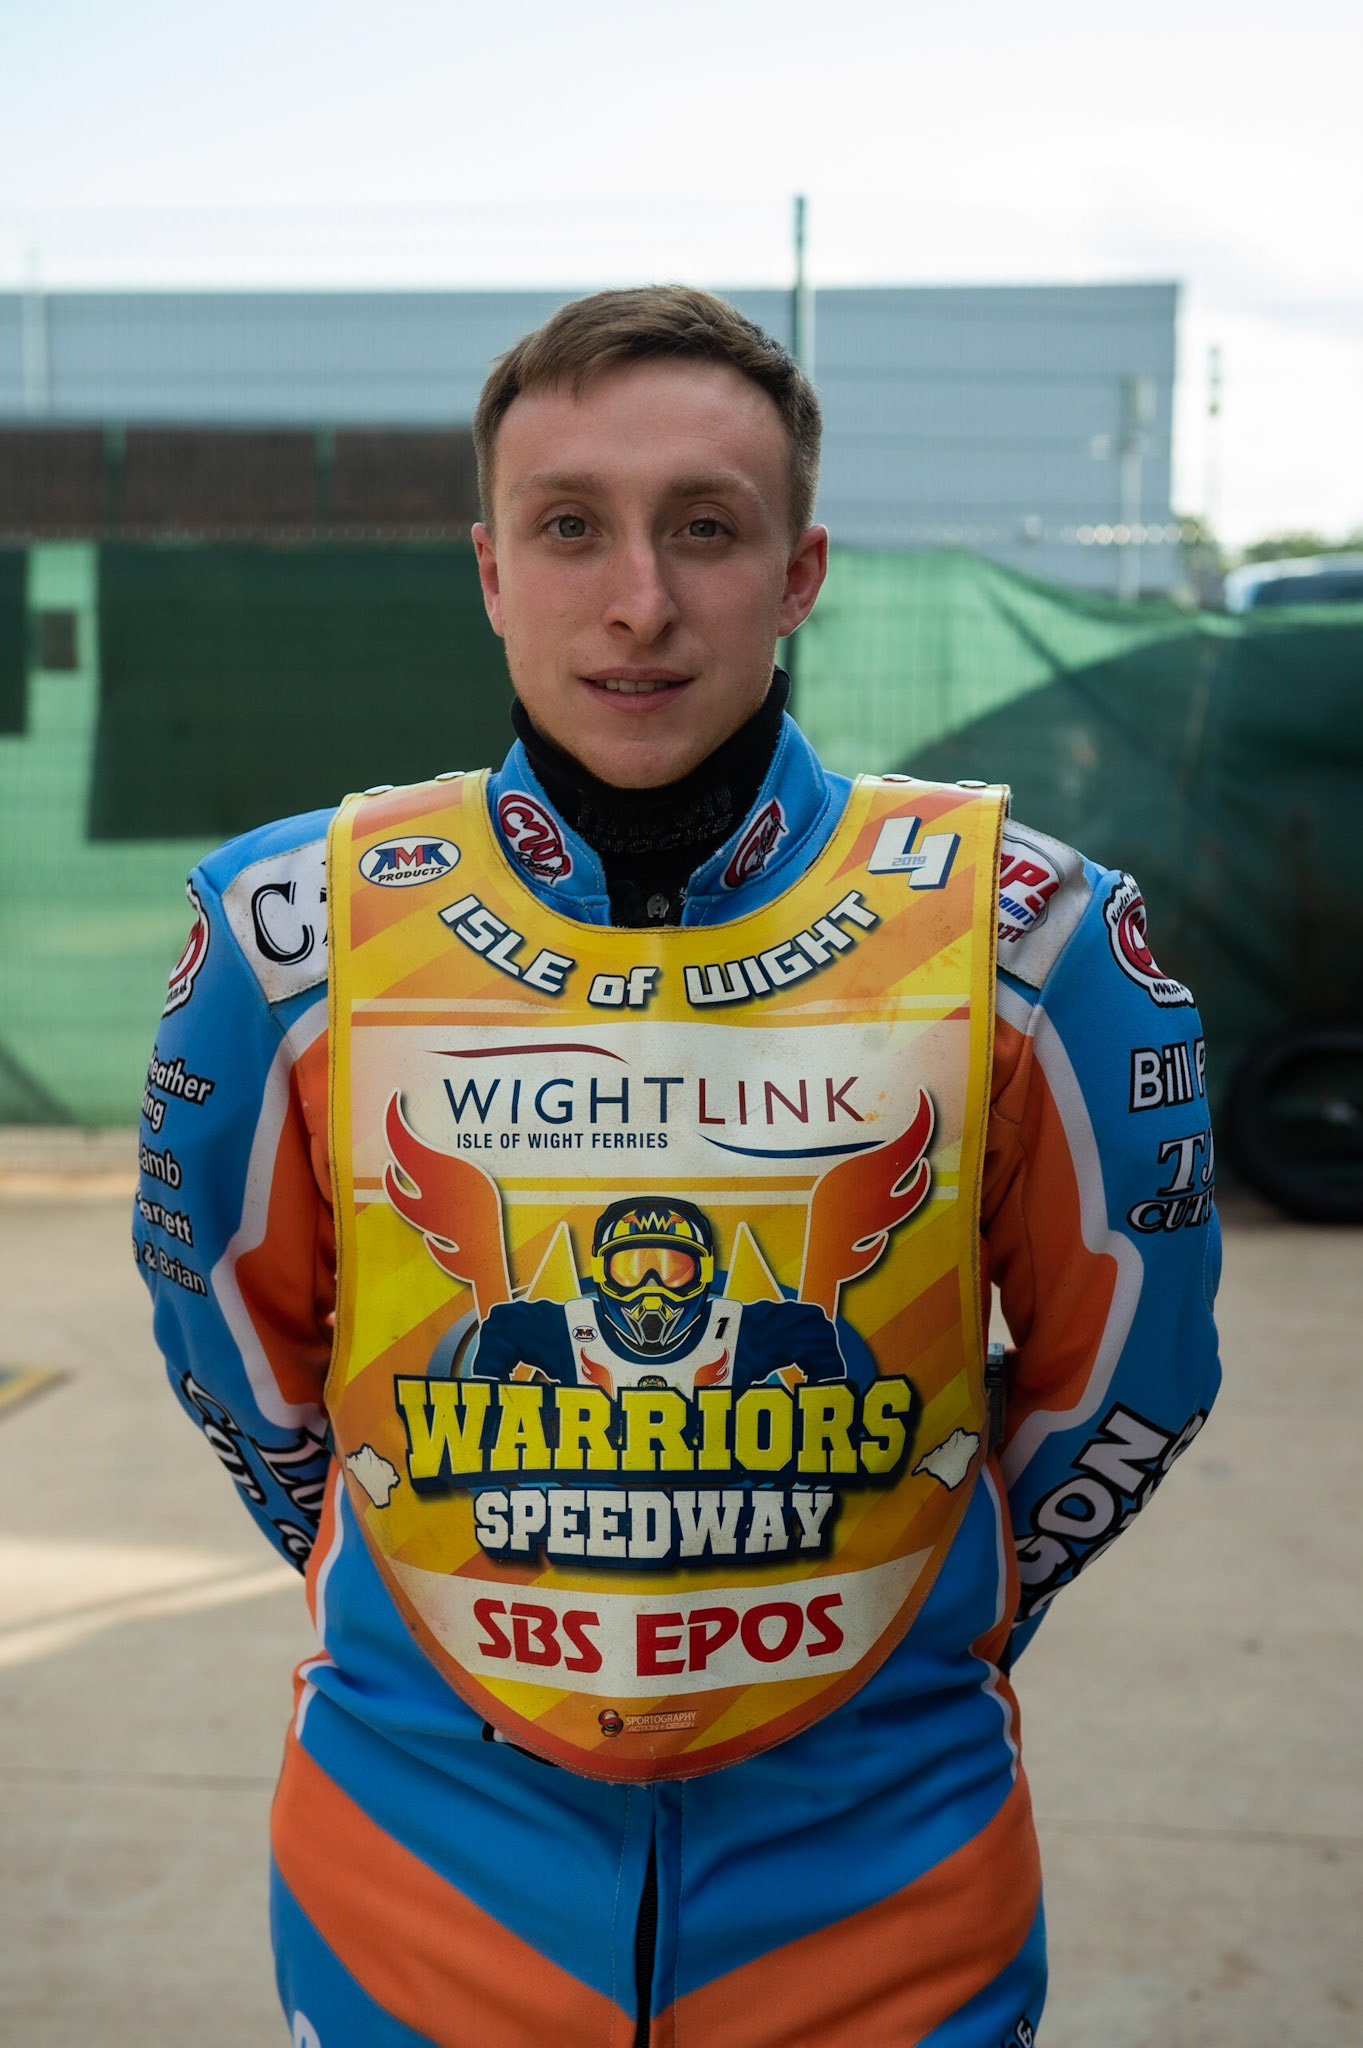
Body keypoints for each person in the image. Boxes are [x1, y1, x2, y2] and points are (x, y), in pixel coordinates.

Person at [135, 286, 1220, 2048]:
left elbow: (1135, 1384)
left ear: (798, 573)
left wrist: (908, 1606)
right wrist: (436, 1587)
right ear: (492, 570)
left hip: (887, 1880)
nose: (639, 600)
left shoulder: (1037, 938)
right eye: (572, 527)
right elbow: (238, 1362)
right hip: (421, 1871)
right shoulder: (293, 931)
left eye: (705, 529)